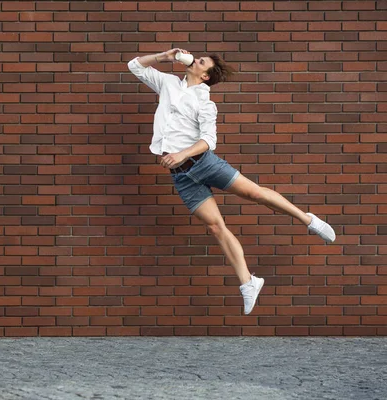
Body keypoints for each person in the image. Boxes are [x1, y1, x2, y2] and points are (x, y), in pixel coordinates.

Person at [127, 48, 336, 315]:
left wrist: (180, 154)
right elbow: (135, 66)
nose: (194, 59)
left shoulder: (205, 102)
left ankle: (308, 220)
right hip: (182, 176)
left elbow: (208, 142)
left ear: (204, 76)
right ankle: (249, 282)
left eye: (201, 61)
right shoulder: (168, 83)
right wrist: (164, 57)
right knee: (216, 228)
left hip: (204, 164)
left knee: (256, 195)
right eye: (197, 58)